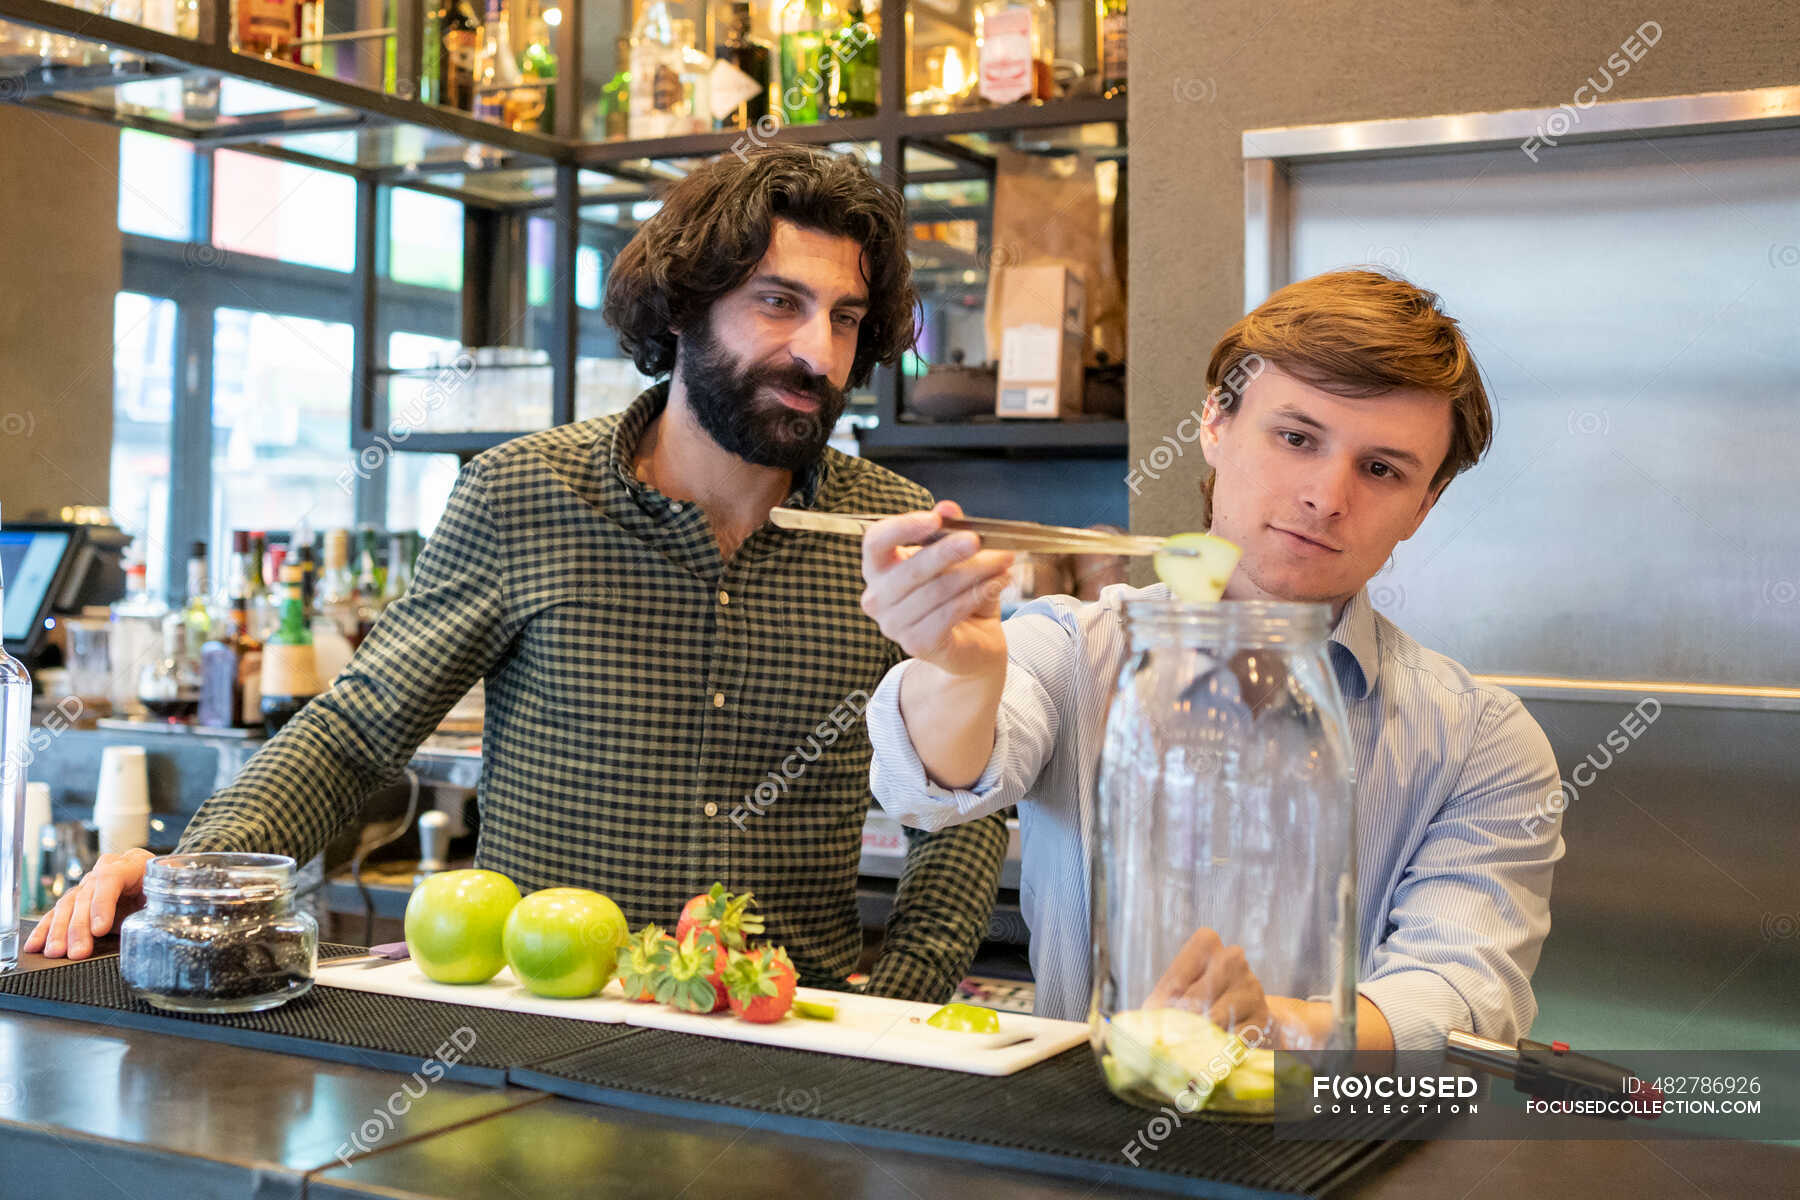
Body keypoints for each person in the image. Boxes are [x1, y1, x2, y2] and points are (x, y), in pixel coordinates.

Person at [30, 147, 1009, 1003]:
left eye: (845, 319)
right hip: (535, 1032)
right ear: (682, 310)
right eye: (778, 303)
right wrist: (192, 876)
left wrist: (910, 996)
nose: (816, 352)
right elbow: (355, 733)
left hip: (797, 1042)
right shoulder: (522, 494)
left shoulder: (895, 537)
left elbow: (962, 802)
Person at [858, 270, 1563, 1052]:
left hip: (1335, 1143)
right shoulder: (1076, 650)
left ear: (1422, 507)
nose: (1328, 496)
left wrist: (1275, 1025)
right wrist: (959, 669)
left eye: (1381, 469)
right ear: (1215, 424)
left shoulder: (1480, 744)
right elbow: (930, 788)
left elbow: (1464, 990)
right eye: (1296, 438)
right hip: (1085, 1146)